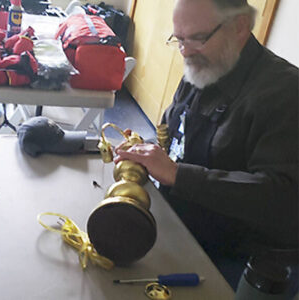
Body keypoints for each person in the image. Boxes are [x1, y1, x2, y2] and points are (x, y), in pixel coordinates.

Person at [114, 0, 298, 290]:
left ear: (239, 27)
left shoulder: (286, 93)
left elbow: (281, 198)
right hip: (181, 225)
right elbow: (173, 136)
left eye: (197, 38)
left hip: (239, 260)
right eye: (180, 39)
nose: (185, 51)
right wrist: (146, 151)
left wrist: (178, 175)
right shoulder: (205, 64)